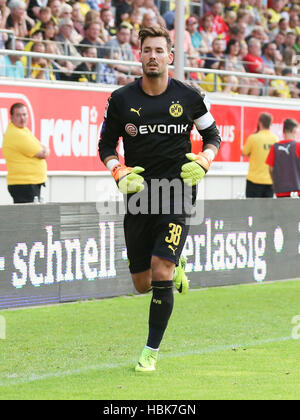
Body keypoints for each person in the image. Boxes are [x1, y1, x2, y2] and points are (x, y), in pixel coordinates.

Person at [98, 25, 221, 372]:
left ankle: (150, 353)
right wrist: (117, 170)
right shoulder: (121, 99)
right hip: (140, 198)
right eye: (146, 50)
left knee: (160, 268)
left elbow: (212, 134)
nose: (152, 56)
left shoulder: (189, 96)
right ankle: (176, 263)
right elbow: (106, 145)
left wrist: (205, 160)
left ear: (170, 56)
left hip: (177, 193)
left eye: (159, 50)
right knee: (142, 283)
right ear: (139, 55)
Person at [2, 103, 50, 203]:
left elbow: (42, 148)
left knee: (31, 217)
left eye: (24, 114)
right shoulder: (16, 134)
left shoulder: (23, 131)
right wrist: (45, 149)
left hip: (28, 183)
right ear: (11, 117)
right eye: (18, 115)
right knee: (29, 217)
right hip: (25, 184)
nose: (22, 118)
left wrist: (44, 149)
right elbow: (42, 153)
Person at [242, 112, 278, 198]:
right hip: (269, 182)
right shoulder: (275, 139)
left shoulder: (253, 138)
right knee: (267, 210)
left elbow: (243, 153)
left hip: (254, 181)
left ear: (259, 123)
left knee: (252, 209)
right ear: (270, 124)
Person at [266, 118, 300, 198]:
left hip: (280, 191)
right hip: (297, 191)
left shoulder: (274, 148)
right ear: (294, 130)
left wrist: (276, 182)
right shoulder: (298, 146)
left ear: (283, 131)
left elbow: (270, 169)